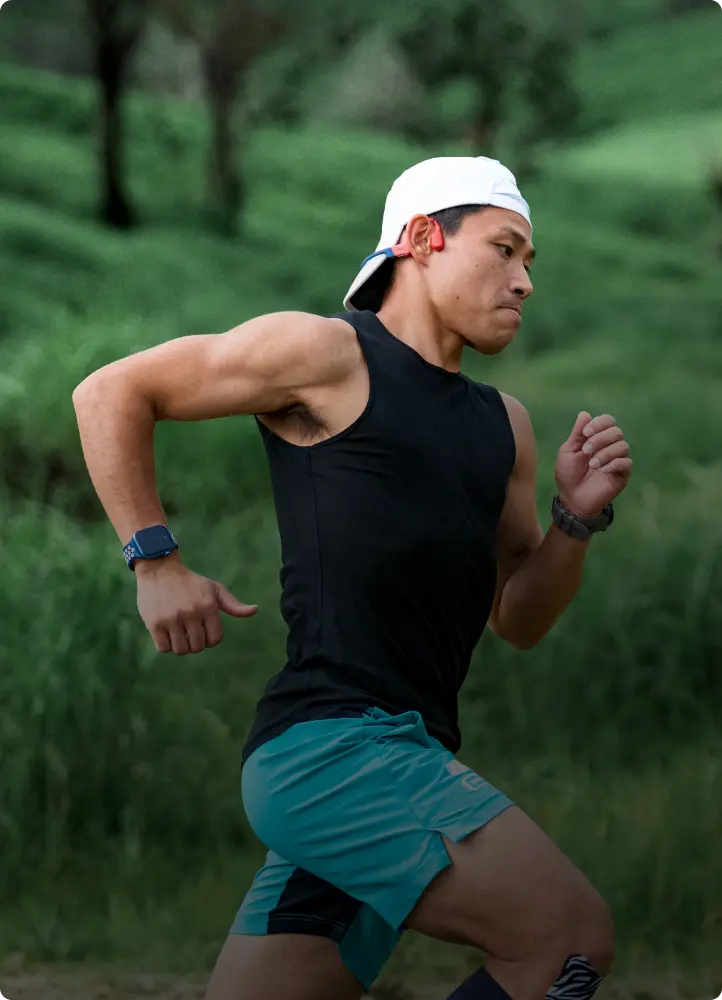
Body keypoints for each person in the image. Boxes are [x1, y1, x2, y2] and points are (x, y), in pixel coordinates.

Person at [72, 155, 633, 1000]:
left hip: (401, 760)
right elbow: (110, 392)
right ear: (423, 238)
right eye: (504, 249)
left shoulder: (504, 426)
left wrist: (574, 521)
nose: (524, 281)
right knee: (567, 941)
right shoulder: (329, 353)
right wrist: (156, 561)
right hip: (332, 753)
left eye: (529, 262)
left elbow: (517, 617)